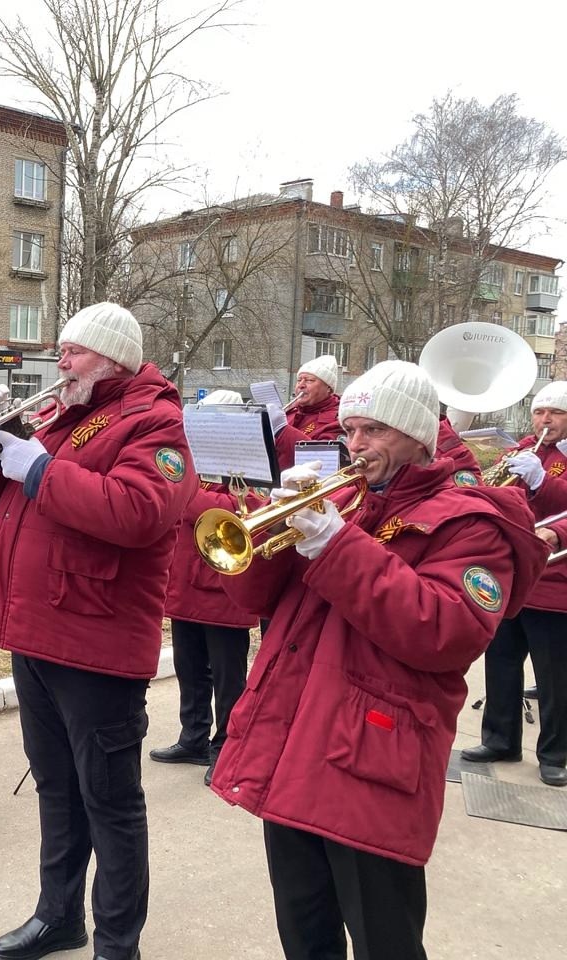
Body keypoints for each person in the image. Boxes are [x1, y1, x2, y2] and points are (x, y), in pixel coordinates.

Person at [210, 360, 546, 960]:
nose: (357, 445)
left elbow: (446, 631)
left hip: (373, 756)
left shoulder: (471, 523)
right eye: (350, 430)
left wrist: (335, 545)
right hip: (293, 742)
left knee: (384, 941)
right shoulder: (348, 501)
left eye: (374, 430)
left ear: (417, 437)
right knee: (303, 931)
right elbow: (253, 599)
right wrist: (270, 529)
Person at [0, 303, 195, 960]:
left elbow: (139, 511)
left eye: (73, 351)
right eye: (62, 350)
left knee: (110, 803)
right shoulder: (65, 417)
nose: (61, 362)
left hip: (96, 642)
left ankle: (118, 944)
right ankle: (58, 916)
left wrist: (38, 466)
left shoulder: (155, 421)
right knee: (57, 789)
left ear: (112, 359)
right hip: (38, 631)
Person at [150, 390, 258, 787]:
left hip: (224, 587)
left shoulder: (247, 460)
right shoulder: (189, 459)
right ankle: (193, 738)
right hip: (184, 581)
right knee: (190, 668)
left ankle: (227, 748)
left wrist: (189, 497)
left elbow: (249, 508)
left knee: (228, 678)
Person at [462, 381, 567, 786]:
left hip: (554, 584)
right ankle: (500, 740)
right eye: (539, 412)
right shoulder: (523, 449)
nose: (545, 420)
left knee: (554, 678)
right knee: (501, 663)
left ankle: (554, 755)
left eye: (555, 413)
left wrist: (542, 482)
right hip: (512, 576)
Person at [269, 354, 343, 470]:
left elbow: (323, 461)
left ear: (328, 388)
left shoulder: (338, 420)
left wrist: (282, 430)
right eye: (299, 380)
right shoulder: (290, 412)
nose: (301, 385)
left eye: (309, 380)